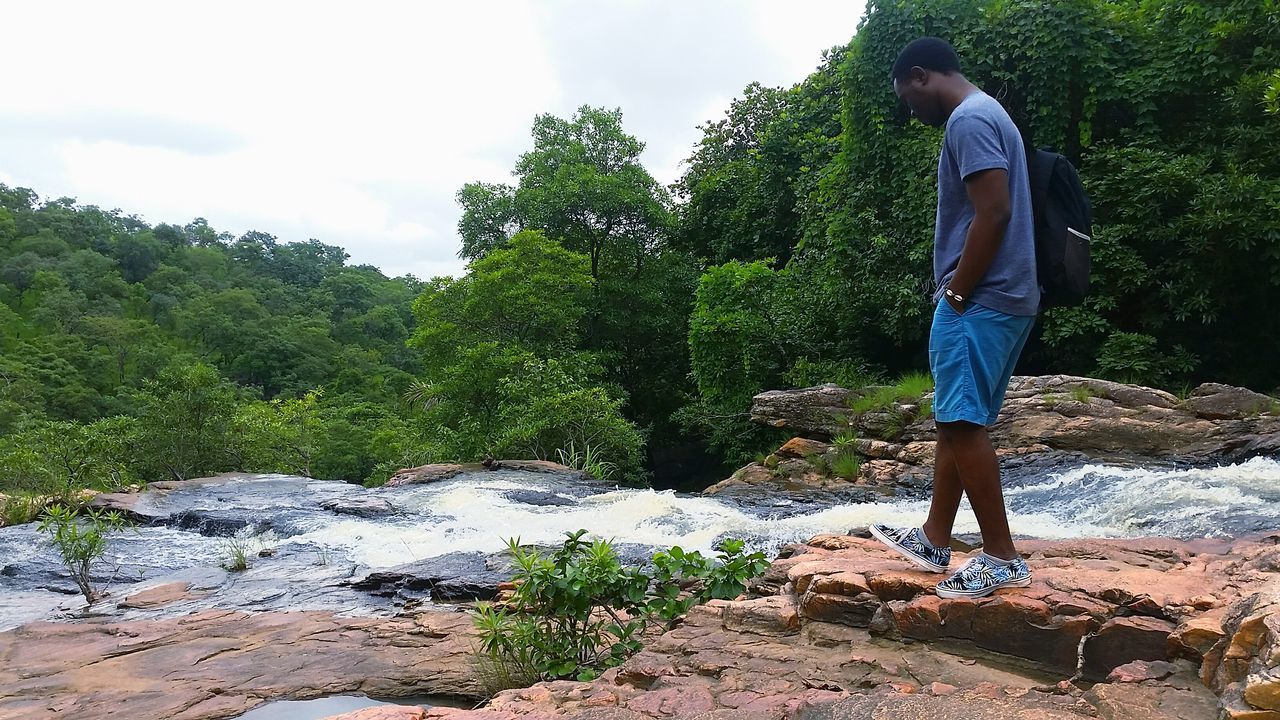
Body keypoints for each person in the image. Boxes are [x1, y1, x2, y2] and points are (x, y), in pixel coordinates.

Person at [868, 37, 1039, 599]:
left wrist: (958, 293)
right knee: (957, 417)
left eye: (906, 98)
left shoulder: (967, 120)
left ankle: (1001, 557)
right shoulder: (991, 112)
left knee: (963, 425)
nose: (909, 111)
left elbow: (994, 211)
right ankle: (934, 538)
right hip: (1007, 294)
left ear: (921, 76)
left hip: (981, 298)